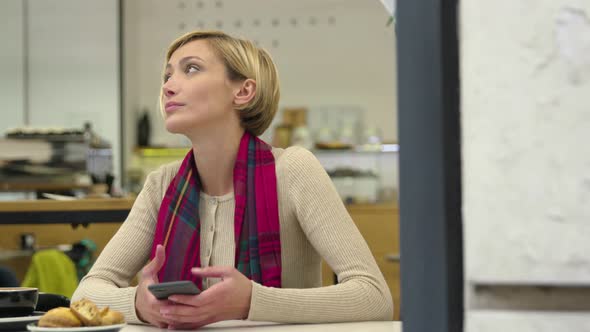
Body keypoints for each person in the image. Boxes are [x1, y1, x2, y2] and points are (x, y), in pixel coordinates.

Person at [72, 30, 393, 329]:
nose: (169, 85)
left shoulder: (294, 170)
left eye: (192, 69)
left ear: (243, 91)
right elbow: (86, 292)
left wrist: (253, 301)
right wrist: (140, 304)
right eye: (167, 75)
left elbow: (373, 296)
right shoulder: (161, 184)